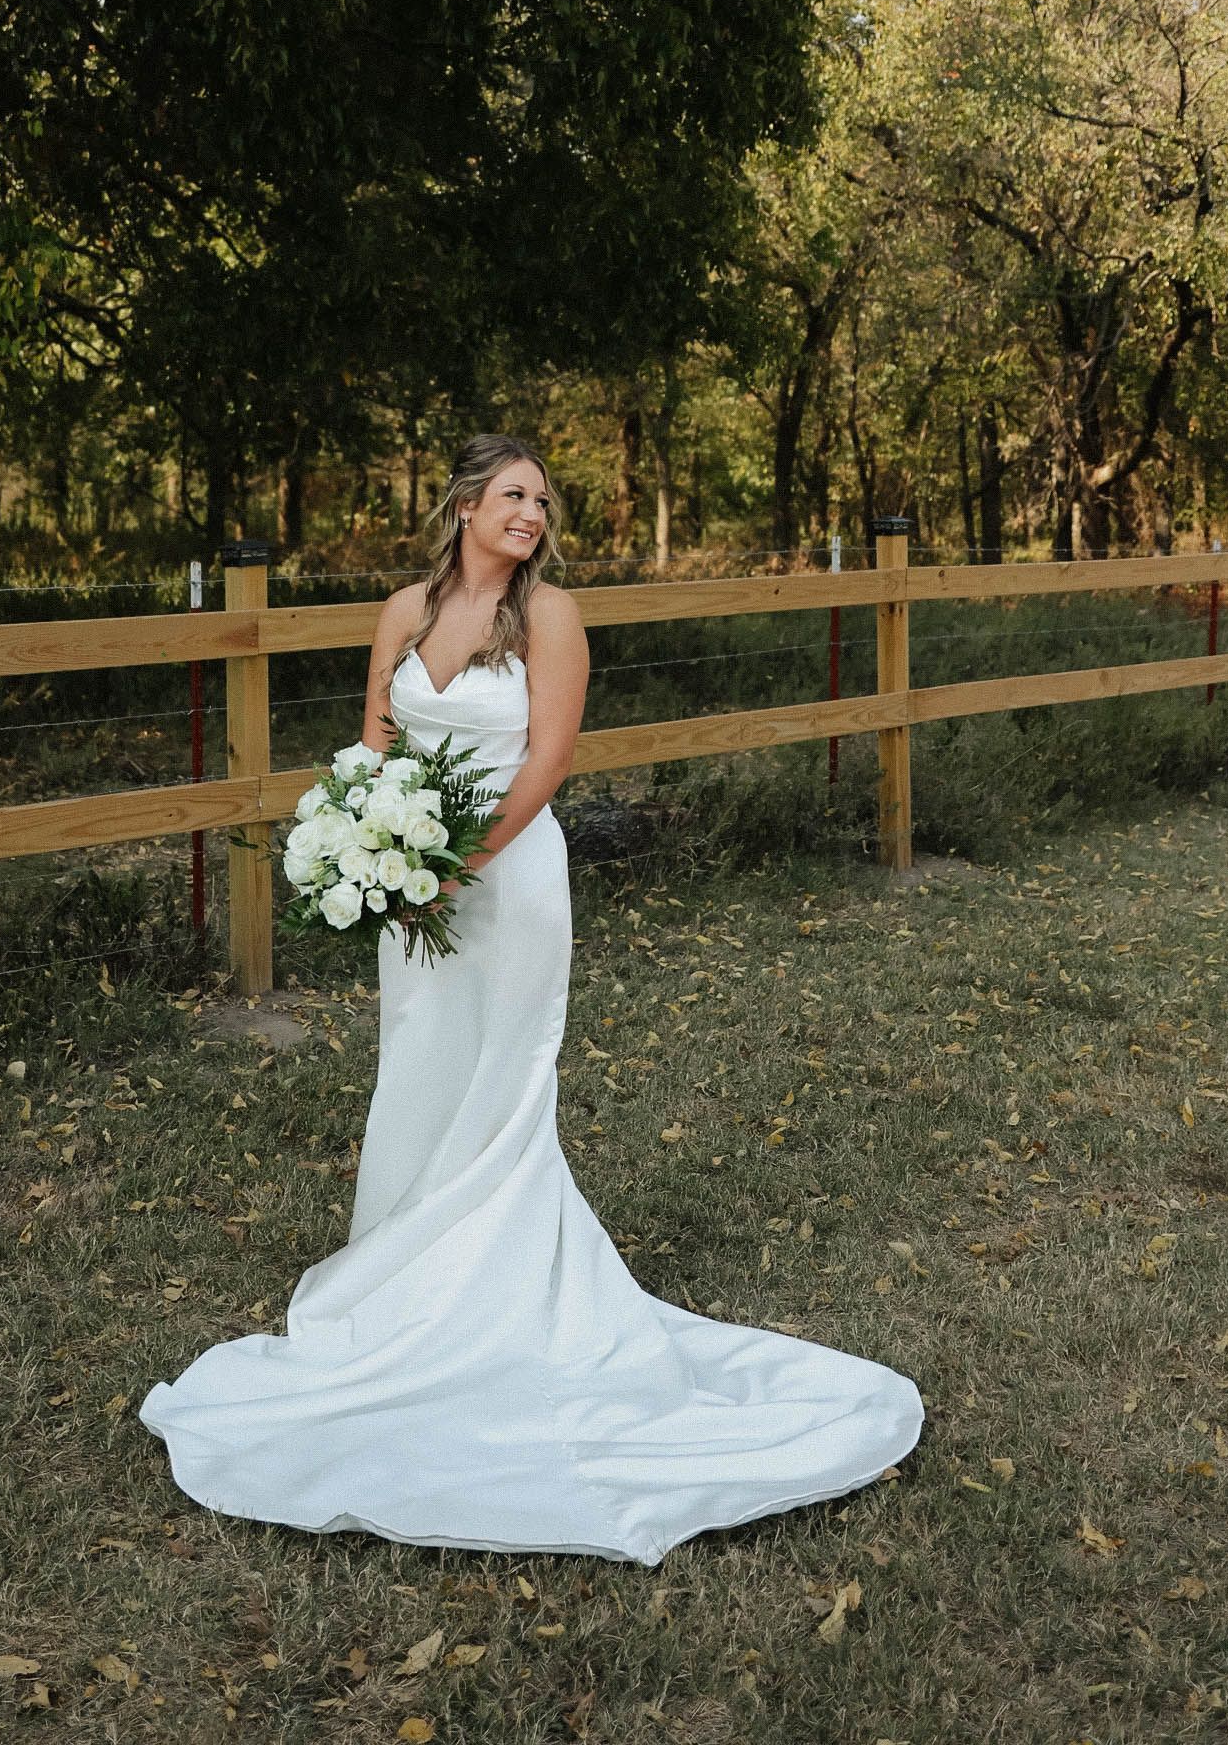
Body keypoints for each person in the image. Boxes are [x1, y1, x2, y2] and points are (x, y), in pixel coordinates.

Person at [138, 432, 923, 1565]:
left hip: (507, 884)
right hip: (410, 894)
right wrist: (370, 849)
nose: (531, 513)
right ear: (463, 505)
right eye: (512, 495)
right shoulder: (403, 610)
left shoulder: (549, 618)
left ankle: (499, 1304)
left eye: (542, 500)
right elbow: (377, 743)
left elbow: (548, 759)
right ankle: (396, 1286)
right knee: (415, 1063)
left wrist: (457, 860)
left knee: (502, 1083)